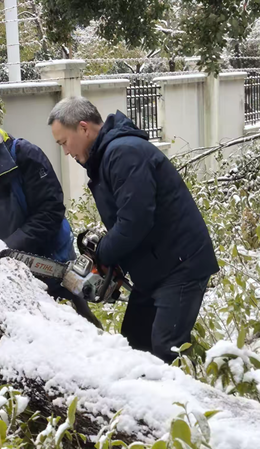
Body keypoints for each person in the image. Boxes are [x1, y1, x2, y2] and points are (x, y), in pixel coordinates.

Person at [48, 96, 219, 363]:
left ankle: (180, 402)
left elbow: (135, 221)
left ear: (83, 128)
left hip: (180, 266)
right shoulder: (107, 156)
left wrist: (104, 253)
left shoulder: (124, 153)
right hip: (155, 266)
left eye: (64, 142)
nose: (67, 152)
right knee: (133, 342)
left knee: (166, 349)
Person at [0, 94, 100, 326]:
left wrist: (8, 247)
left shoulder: (22, 155)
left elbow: (50, 212)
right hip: (2, 273)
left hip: (52, 261)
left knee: (79, 326)